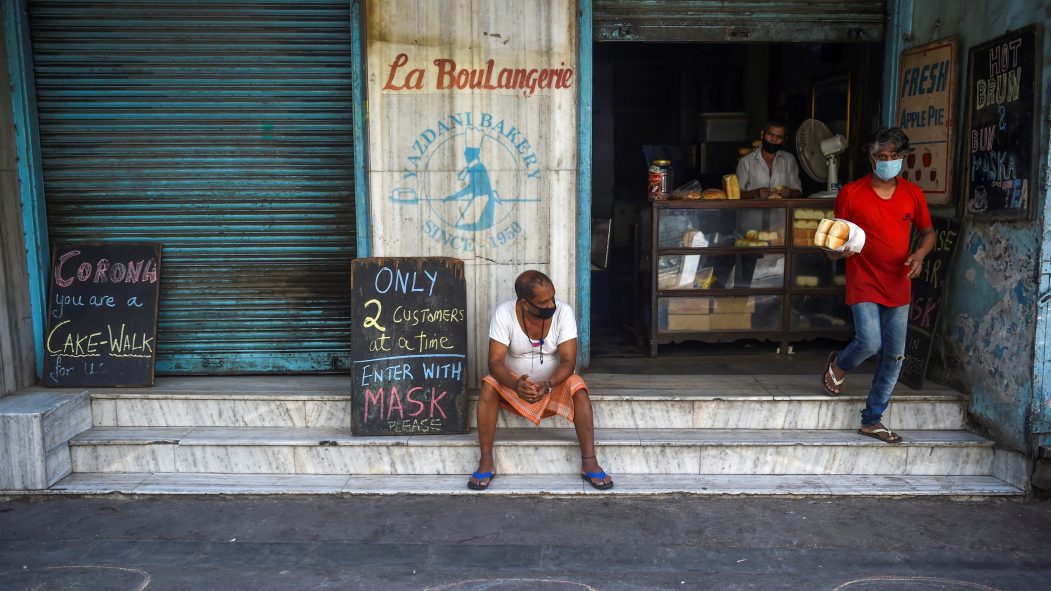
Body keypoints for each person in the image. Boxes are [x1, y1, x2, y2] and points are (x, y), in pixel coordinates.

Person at [821, 127, 935, 444]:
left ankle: (872, 420)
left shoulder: (913, 194)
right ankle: (839, 364)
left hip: (899, 283)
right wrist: (835, 251)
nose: (887, 161)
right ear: (871, 158)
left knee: (894, 356)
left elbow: (928, 233)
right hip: (864, 278)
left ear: (903, 158)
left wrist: (920, 255)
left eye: (894, 156)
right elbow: (835, 239)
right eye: (881, 156)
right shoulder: (851, 194)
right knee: (870, 342)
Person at [467, 270, 613, 491]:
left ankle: (589, 461)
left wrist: (548, 384)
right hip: (515, 385)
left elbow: (568, 361)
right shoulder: (504, 313)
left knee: (579, 387)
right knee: (488, 385)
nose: (551, 304)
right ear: (525, 304)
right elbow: (495, 362)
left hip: (552, 385)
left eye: (552, 297)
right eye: (544, 302)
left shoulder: (563, 312)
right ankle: (486, 460)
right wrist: (516, 384)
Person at [735, 119, 803, 200]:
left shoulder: (789, 160)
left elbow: (798, 192)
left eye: (779, 137)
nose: (774, 139)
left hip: (781, 212)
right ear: (762, 134)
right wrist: (755, 193)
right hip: (754, 212)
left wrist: (790, 192)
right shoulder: (746, 162)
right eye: (771, 134)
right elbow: (736, 194)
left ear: (784, 140)